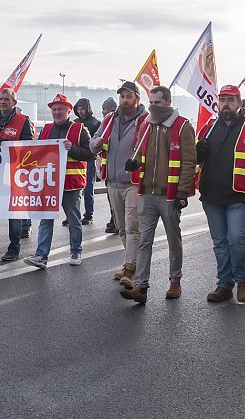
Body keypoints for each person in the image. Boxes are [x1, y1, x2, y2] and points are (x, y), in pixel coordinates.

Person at [119, 86, 197, 304]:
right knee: (145, 241)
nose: (153, 106)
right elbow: (142, 155)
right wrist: (135, 164)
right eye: (151, 102)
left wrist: (182, 192)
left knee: (173, 240)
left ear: (168, 102)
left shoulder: (183, 127)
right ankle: (141, 287)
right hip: (147, 193)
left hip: (170, 195)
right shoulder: (147, 125)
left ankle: (175, 281)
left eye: (158, 103)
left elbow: (189, 162)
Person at [196, 85, 245, 303]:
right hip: (211, 195)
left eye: (231, 100)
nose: (226, 104)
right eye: (223, 100)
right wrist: (199, 151)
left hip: (239, 194)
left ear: (239, 102)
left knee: (236, 238)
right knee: (219, 242)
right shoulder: (209, 127)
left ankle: (243, 280)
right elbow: (196, 159)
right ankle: (224, 284)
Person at [24, 94, 94, 268]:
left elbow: (91, 154)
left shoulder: (80, 129)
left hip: (71, 183)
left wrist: (73, 149)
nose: (57, 112)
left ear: (68, 110)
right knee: (45, 219)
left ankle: (76, 251)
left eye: (60, 109)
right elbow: (37, 154)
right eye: (54, 109)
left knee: (73, 219)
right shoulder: (46, 129)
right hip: (49, 183)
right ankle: (41, 256)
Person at [90, 81, 148, 288]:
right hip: (112, 182)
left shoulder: (146, 120)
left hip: (134, 182)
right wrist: (94, 145)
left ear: (137, 99)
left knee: (133, 228)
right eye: (122, 97)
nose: (124, 100)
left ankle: (131, 270)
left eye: (128, 96)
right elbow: (94, 143)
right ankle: (129, 264)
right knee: (122, 228)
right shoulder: (109, 120)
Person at [0, 88, 35, 262]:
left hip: (15, 173)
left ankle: (14, 248)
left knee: (14, 213)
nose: (3, 102)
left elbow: (29, 147)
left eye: (6, 100)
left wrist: (7, 144)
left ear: (14, 103)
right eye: (1, 99)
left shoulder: (23, 121)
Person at [73, 98, 101, 225]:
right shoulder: (74, 123)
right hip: (75, 159)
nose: (80, 112)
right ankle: (72, 214)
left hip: (89, 159)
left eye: (82, 109)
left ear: (87, 109)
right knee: (73, 189)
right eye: (78, 109)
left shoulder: (96, 123)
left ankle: (89, 215)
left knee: (88, 188)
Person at [101, 97, 119, 234]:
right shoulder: (106, 123)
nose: (104, 114)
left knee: (118, 202)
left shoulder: (116, 123)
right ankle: (115, 221)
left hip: (119, 172)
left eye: (106, 110)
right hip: (108, 171)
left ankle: (116, 222)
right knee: (111, 199)